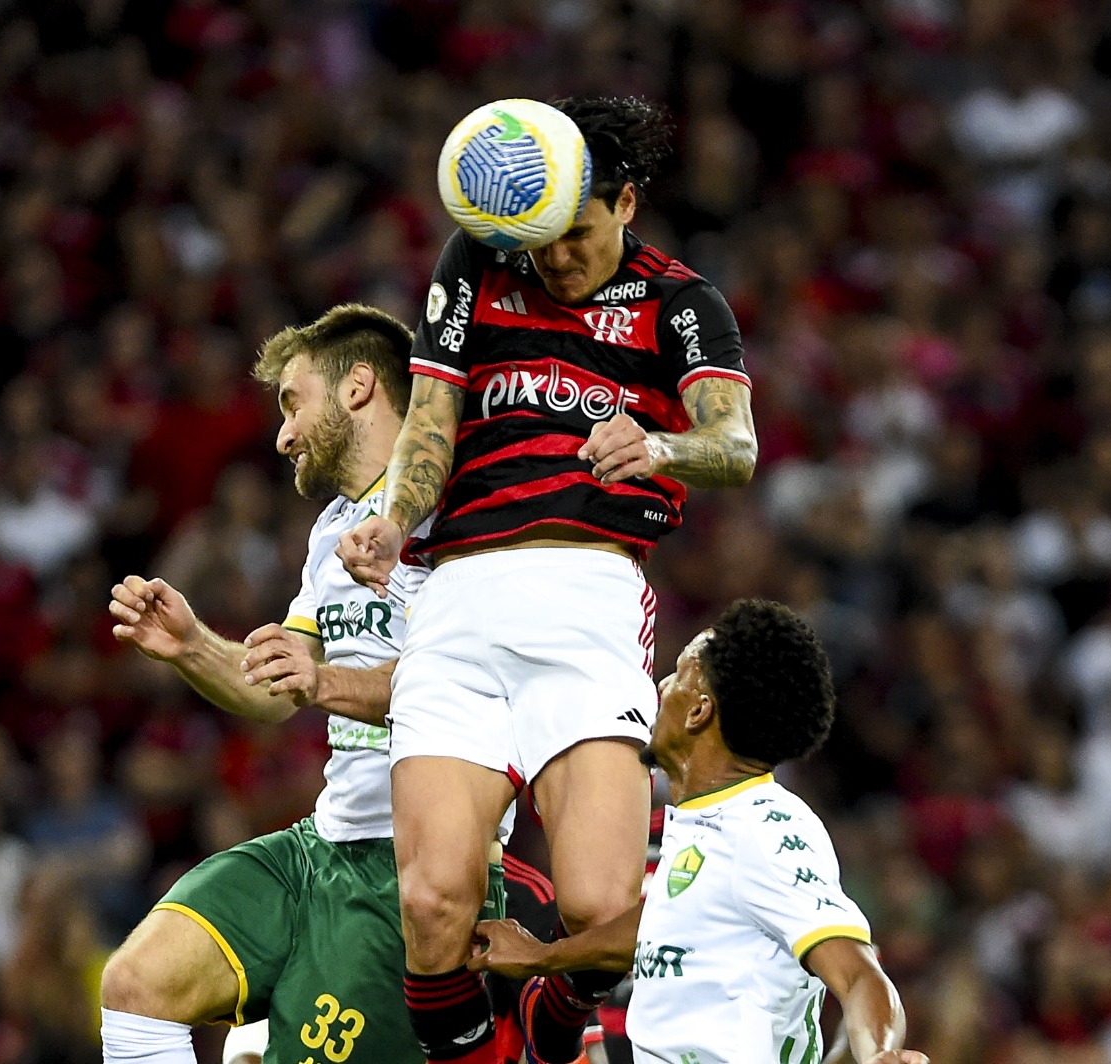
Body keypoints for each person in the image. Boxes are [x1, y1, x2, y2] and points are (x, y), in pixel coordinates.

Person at [339, 95, 758, 1064]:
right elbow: (432, 426)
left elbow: (733, 445)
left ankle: (558, 1020)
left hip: (587, 604)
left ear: (625, 204)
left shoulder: (680, 304)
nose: (555, 258)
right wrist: (393, 519)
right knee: (433, 900)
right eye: (540, 237)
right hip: (458, 600)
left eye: (576, 234)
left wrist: (657, 442)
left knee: (604, 907)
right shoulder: (481, 261)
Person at [98, 304, 513, 1064]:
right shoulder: (331, 531)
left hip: (417, 873)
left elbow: (476, 689)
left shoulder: (468, 506)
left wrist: (322, 681)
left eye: (294, 401)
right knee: (135, 986)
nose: (283, 433)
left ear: (358, 387)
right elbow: (274, 689)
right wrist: (192, 646)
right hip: (320, 846)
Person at [471, 600, 929, 1064]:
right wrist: (544, 956)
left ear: (698, 712)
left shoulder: (766, 826)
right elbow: (665, 923)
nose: (661, 687)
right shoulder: (704, 825)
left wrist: (881, 1053)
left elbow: (857, 972)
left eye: (675, 674)